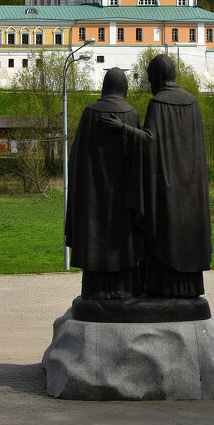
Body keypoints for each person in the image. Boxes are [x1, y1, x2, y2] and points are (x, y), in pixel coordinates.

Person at [106, 54, 212, 298]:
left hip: (167, 186)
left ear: (157, 77)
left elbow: (149, 141)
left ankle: (161, 288)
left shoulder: (159, 103)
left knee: (165, 235)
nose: (150, 82)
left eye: (150, 77)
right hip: (191, 185)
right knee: (186, 235)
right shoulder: (192, 102)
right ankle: (190, 289)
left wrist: (123, 128)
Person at [65, 67, 143, 299]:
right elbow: (140, 156)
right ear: (124, 89)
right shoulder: (130, 114)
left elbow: (77, 156)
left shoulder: (90, 113)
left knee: (95, 237)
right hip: (123, 195)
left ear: (104, 87)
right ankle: (124, 291)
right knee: (122, 240)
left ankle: (95, 292)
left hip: (93, 195)